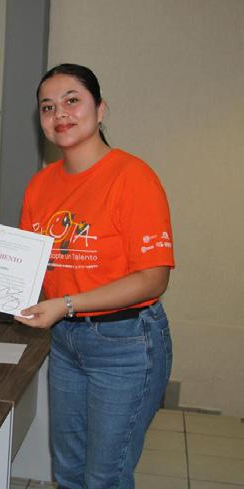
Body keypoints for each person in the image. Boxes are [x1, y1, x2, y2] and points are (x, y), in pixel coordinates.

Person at [15, 63, 174, 489]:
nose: (60, 114)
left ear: (100, 109)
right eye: (47, 107)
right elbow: (29, 266)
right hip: (67, 342)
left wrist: (66, 304)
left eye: (72, 101)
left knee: (105, 476)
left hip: (126, 343)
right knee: (67, 471)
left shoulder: (133, 177)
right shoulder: (39, 186)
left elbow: (153, 278)